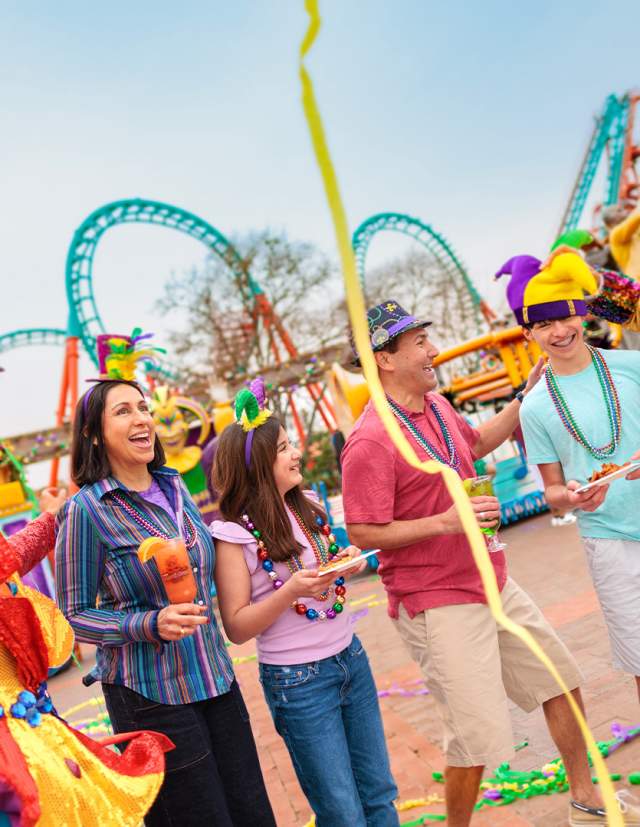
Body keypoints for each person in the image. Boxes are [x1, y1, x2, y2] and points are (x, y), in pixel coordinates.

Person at [340, 300, 608, 827]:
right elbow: (362, 531)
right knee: (474, 739)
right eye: (418, 342)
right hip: (436, 600)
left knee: (561, 679)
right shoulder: (369, 439)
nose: (433, 349)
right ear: (385, 360)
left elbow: (478, 443)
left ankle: (586, 803)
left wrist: (527, 392)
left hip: (493, 579)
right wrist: (444, 523)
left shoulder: (437, 406)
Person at [55, 336, 275, 827]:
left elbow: (210, 568)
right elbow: (73, 616)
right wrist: (149, 623)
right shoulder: (87, 511)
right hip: (150, 697)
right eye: (123, 412)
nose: (142, 420)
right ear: (93, 434)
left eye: (144, 408)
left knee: (251, 812)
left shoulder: (175, 486)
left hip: (214, 677)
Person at [210, 379, 399, 827]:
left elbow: (322, 575)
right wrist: (289, 592)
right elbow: (236, 627)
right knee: (342, 812)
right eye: (283, 448)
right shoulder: (233, 535)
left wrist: (343, 562)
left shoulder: (309, 505)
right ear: (256, 464)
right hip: (298, 683)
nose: (296, 452)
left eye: (291, 443)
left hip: (351, 658)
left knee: (379, 795)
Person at [1, 486, 175, 826]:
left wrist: (52, 516)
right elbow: (15, 555)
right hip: (16, 752)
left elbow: (15, 556)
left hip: (30, 732)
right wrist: (51, 517)